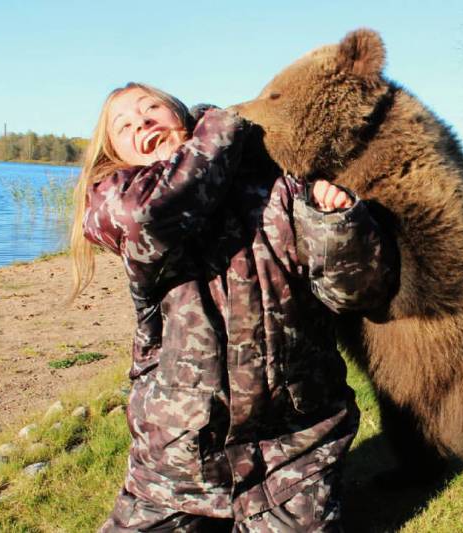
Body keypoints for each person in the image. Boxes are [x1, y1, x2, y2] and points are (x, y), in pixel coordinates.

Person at [70, 82, 396, 532]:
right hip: (176, 460)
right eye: (124, 126)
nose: (141, 123)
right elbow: (150, 216)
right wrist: (223, 124)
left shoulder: (275, 182)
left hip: (292, 451)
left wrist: (335, 221)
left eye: (151, 109)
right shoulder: (116, 199)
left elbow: (359, 293)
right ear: (117, 154)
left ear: (181, 116)